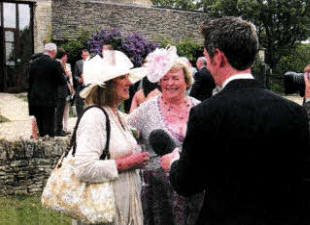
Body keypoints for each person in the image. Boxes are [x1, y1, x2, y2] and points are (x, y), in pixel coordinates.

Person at [161, 17, 310, 225]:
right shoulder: (294, 112)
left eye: (206, 55)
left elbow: (188, 184)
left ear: (219, 58)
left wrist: (174, 163)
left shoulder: (206, 113)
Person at [71, 50, 149, 225]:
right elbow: (84, 168)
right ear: (106, 85)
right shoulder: (95, 117)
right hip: (105, 210)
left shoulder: (117, 115)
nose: (129, 82)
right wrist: (129, 163)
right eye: (122, 78)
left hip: (121, 205)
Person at [128, 46, 203, 225]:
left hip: (192, 187)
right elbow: (125, 131)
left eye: (175, 78)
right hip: (157, 192)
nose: (169, 83)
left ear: (187, 81)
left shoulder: (199, 108)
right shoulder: (147, 108)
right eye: (165, 79)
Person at [28, 43, 66, 137]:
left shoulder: (33, 63)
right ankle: (48, 145)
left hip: (35, 98)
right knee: (49, 127)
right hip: (49, 99)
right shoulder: (55, 64)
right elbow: (62, 81)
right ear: (53, 52)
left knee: (40, 125)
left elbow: (29, 81)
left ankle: (40, 142)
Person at [55, 48, 71, 136]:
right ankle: (58, 131)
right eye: (65, 55)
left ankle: (59, 129)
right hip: (60, 92)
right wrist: (67, 76)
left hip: (59, 92)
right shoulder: (58, 64)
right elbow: (61, 79)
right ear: (63, 56)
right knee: (59, 112)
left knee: (59, 111)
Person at [73, 49, 90, 118]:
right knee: (79, 104)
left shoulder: (92, 63)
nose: (86, 56)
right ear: (81, 56)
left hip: (90, 86)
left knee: (90, 103)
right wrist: (79, 79)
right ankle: (80, 118)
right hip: (81, 86)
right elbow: (75, 75)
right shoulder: (78, 63)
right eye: (84, 55)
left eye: (87, 55)